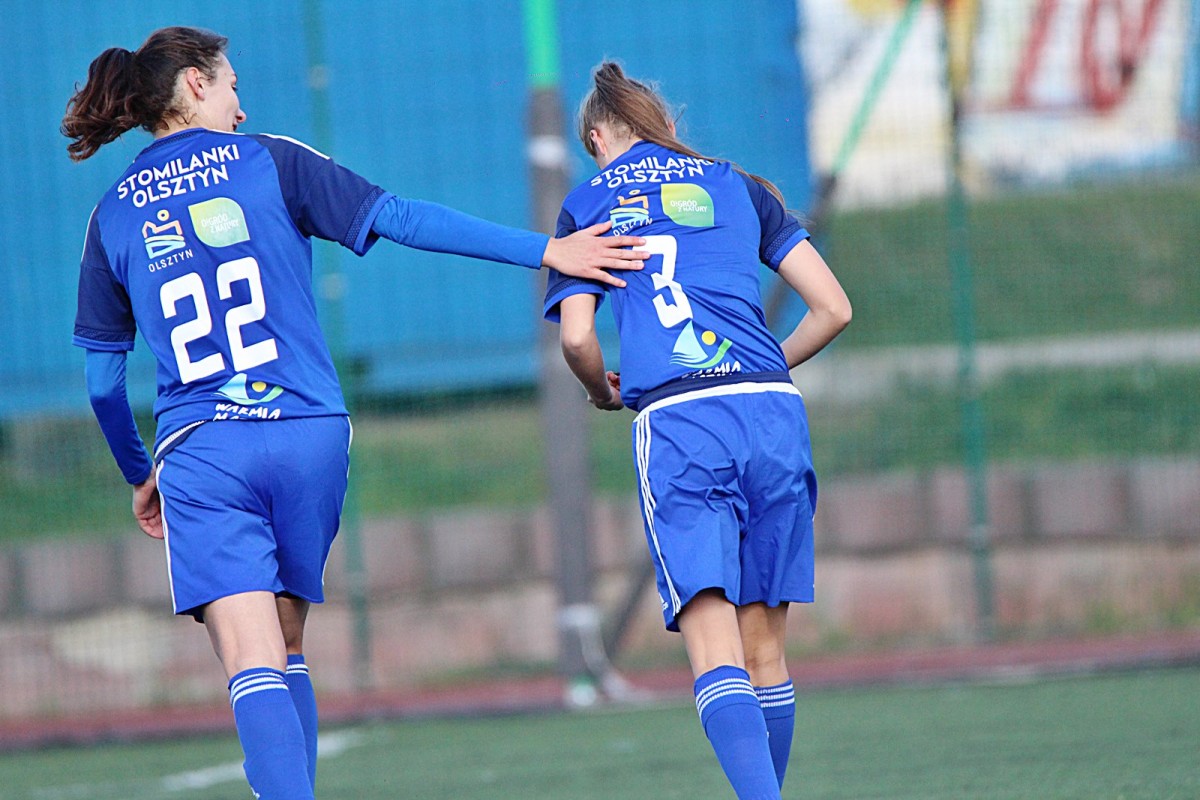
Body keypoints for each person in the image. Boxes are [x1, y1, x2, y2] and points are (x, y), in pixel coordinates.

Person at [63, 27, 647, 800]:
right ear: (196, 84)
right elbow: (400, 217)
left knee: (250, 661)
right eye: (233, 85)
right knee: (288, 642)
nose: (241, 107)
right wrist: (547, 250)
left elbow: (104, 383)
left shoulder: (110, 214)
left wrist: (140, 472)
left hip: (204, 449)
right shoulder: (273, 160)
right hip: (309, 435)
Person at [544, 62, 851, 799]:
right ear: (663, 126)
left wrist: (600, 392)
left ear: (597, 139)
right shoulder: (738, 185)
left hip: (683, 421)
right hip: (770, 410)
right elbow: (834, 309)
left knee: (715, 650)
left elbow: (579, 340)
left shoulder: (589, 201)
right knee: (765, 652)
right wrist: (761, 365)